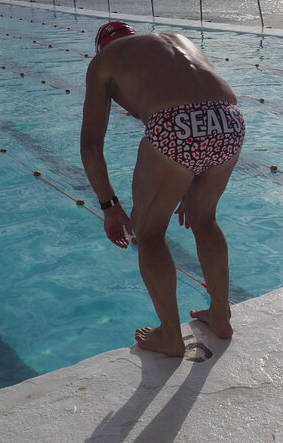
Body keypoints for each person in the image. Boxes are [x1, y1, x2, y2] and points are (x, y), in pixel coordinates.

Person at [80, 21, 245, 357]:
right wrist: (191, 180)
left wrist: (110, 206)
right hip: (230, 120)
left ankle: (169, 335)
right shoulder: (174, 41)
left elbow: (91, 144)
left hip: (175, 125)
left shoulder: (104, 61)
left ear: (103, 46)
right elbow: (200, 106)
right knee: (205, 220)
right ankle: (220, 315)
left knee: (150, 233)